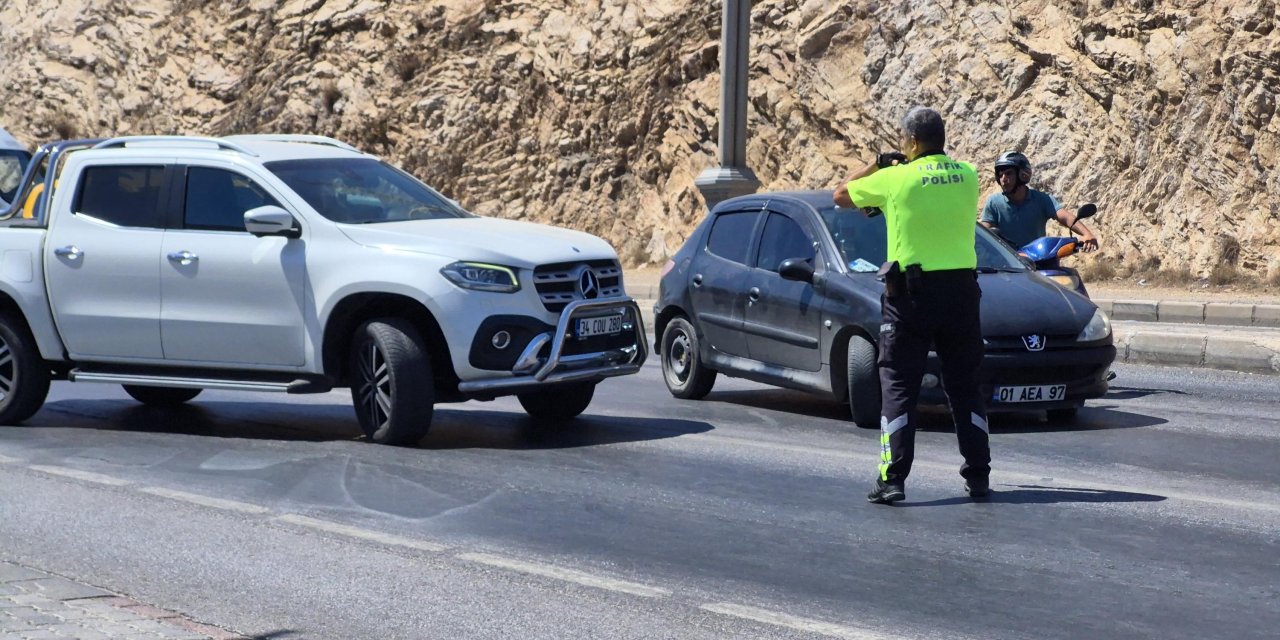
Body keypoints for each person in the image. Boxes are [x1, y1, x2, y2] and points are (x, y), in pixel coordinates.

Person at [833, 106, 990, 504]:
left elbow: (839, 195)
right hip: (961, 294)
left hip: (911, 297)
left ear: (913, 142)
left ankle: (893, 479)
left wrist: (875, 164)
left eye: (904, 140)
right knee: (966, 386)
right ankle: (978, 475)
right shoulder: (968, 175)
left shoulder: (894, 177)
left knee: (899, 385)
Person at [979, 151, 1099, 251]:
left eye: (1008, 173)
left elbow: (1064, 217)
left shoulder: (1041, 199)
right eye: (1000, 175)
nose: (1003, 179)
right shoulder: (994, 202)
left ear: (1023, 175)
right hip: (1008, 265)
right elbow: (984, 233)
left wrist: (1087, 234)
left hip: (1038, 260)